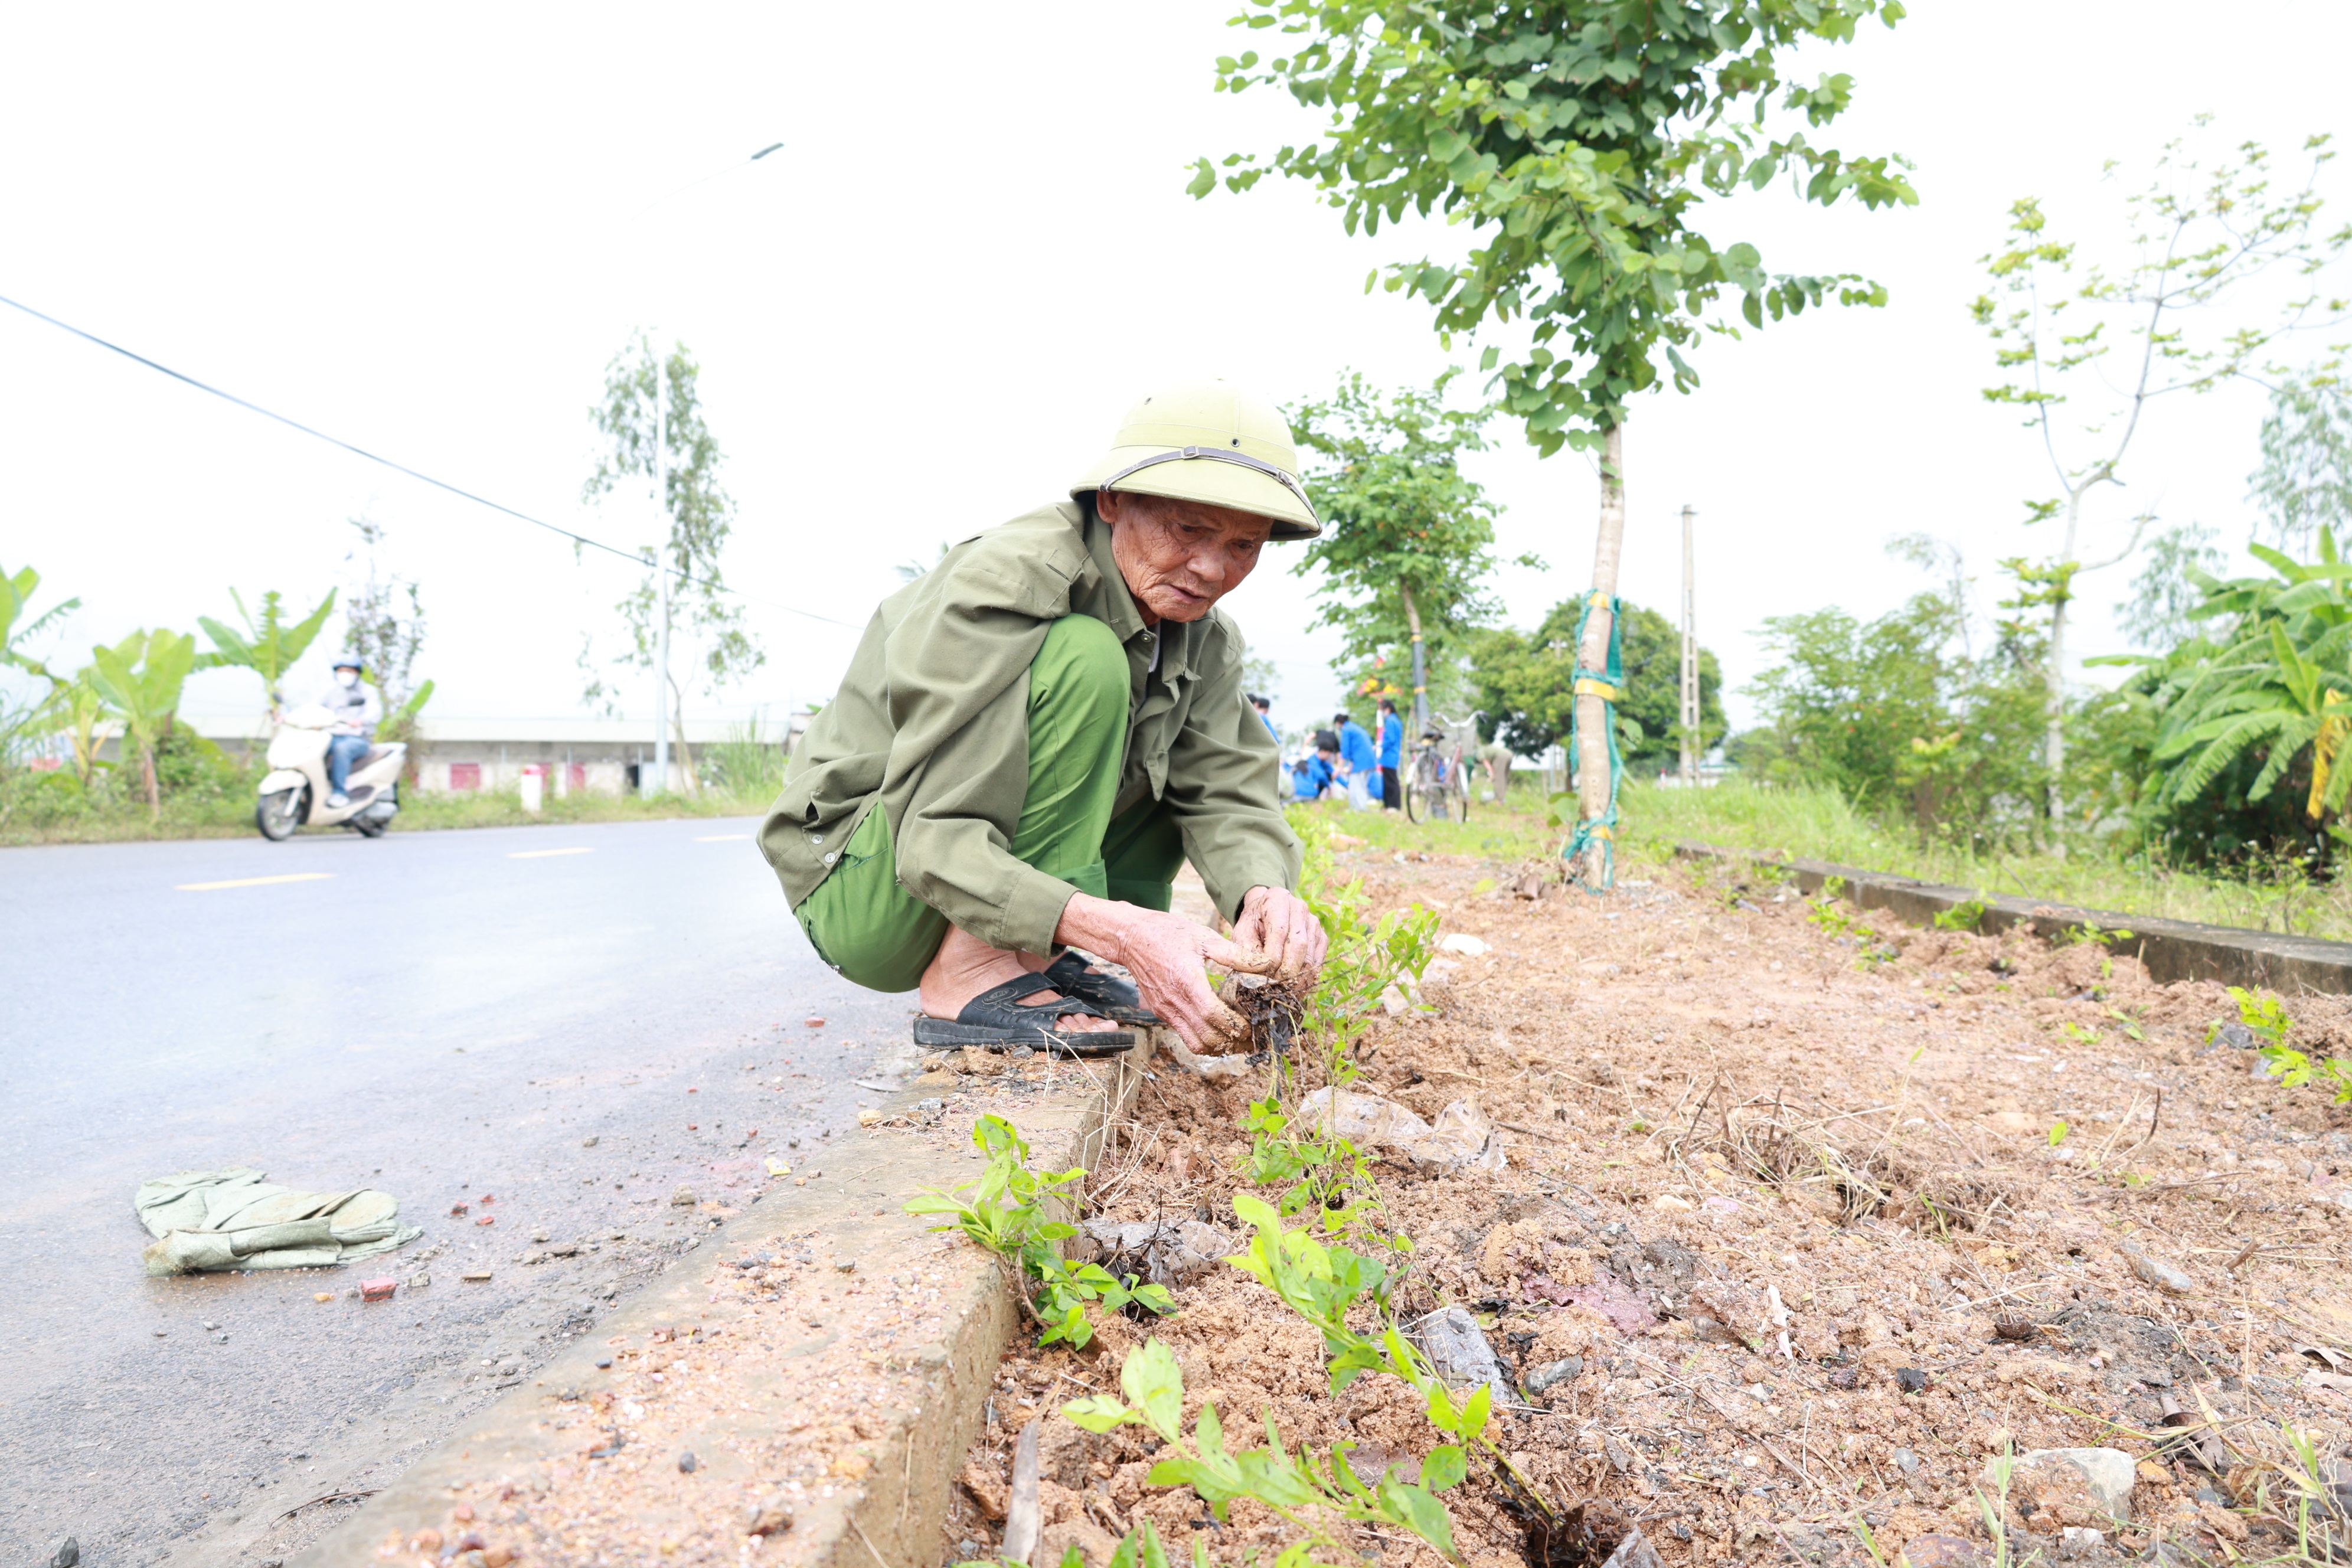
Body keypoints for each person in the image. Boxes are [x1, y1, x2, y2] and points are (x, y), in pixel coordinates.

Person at [759, 381, 1330, 1057]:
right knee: (1088, 659)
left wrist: (1262, 894)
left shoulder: (1201, 633)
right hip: (868, 885)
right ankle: (969, 970)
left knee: (1170, 741)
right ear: (1114, 500)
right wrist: (1123, 933)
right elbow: (932, 838)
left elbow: (1228, 790)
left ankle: (1041, 959)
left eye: (1245, 546)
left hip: (961, 878)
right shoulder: (1009, 584)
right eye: (1189, 530)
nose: (1211, 568)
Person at [318, 655, 380, 808]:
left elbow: (375, 712)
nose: (344, 674)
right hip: (331, 735)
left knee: (342, 749)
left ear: (357, 673)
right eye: (341, 671)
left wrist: (361, 720)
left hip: (358, 738)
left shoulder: (367, 691)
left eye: (348, 671)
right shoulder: (332, 691)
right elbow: (316, 708)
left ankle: (339, 793)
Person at [1332, 710, 1378, 811]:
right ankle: (1356, 808)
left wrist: (1338, 769)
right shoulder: (1354, 727)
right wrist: (1350, 767)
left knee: (1358, 786)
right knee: (1357, 785)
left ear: (1338, 723)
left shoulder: (1346, 730)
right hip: (1367, 760)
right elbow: (1355, 750)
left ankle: (1360, 809)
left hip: (1362, 762)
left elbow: (1344, 751)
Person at [1376, 697, 1403, 811]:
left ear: (1388, 709)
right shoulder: (1396, 720)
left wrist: (1380, 746)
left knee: (1391, 782)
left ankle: (1394, 805)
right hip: (1392, 755)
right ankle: (1388, 805)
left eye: (1382, 709)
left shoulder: (1390, 721)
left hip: (1389, 756)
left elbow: (1390, 739)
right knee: (1389, 781)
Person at [1481, 737, 1515, 804]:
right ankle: (1501, 798)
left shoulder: (1479, 753)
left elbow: (1485, 762)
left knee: (1498, 778)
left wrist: (1491, 773)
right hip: (1509, 754)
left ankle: (1501, 800)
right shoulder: (1487, 751)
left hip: (1501, 756)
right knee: (1503, 778)